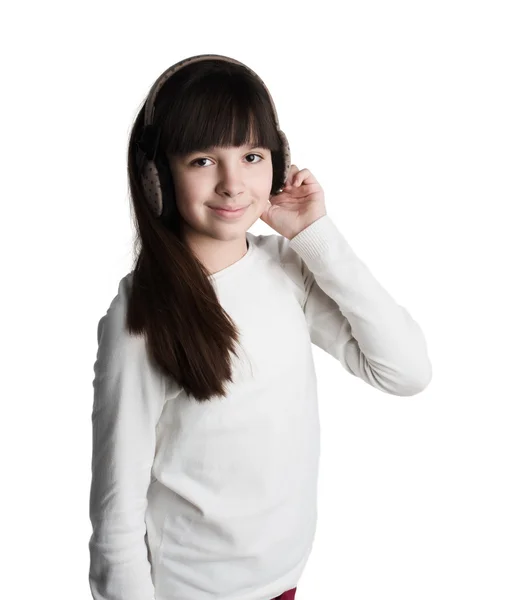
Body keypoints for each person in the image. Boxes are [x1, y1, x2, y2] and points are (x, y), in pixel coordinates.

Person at [88, 54, 432, 600]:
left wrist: (315, 234)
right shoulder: (141, 315)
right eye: (202, 160)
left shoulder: (287, 269)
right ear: (156, 175)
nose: (233, 184)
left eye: (251, 155)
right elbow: (116, 509)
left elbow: (406, 371)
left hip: (283, 583)